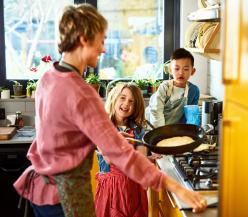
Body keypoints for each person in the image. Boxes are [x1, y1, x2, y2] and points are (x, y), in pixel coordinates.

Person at [13, 4, 207, 217]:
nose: (104, 49)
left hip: (39, 191)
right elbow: (120, 155)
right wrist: (176, 187)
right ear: (84, 39)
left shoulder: (48, 78)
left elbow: (60, 137)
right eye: (101, 40)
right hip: (65, 198)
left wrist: (105, 137)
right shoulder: (82, 93)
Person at [95, 82, 155, 217]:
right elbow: (109, 159)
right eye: (122, 98)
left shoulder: (139, 130)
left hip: (134, 190)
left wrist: (149, 159)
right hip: (111, 191)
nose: (126, 104)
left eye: (131, 101)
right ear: (114, 98)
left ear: (136, 107)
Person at [145, 48, 200, 127]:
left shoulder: (194, 91)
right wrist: (161, 132)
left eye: (186, 69)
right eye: (177, 69)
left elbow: (191, 116)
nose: (181, 73)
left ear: (193, 71)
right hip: (155, 127)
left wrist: (187, 131)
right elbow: (156, 111)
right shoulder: (165, 87)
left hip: (174, 130)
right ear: (170, 70)